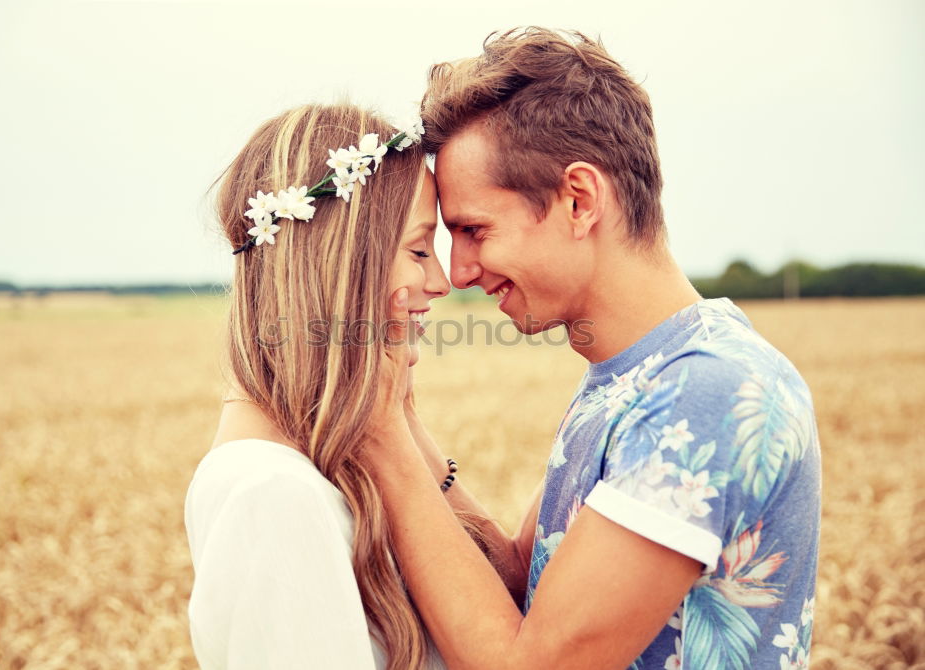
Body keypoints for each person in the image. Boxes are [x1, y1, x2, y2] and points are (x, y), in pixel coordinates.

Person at [365, 27, 822, 670]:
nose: (459, 271)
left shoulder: (706, 390)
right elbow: (523, 577)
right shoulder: (634, 375)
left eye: (474, 230)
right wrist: (403, 417)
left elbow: (532, 664)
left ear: (579, 200)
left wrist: (382, 443)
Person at [184, 103, 470, 670]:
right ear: (338, 264)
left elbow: (504, 598)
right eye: (419, 250)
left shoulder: (320, 469)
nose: (443, 281)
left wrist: (403, 421)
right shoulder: (271, 496)